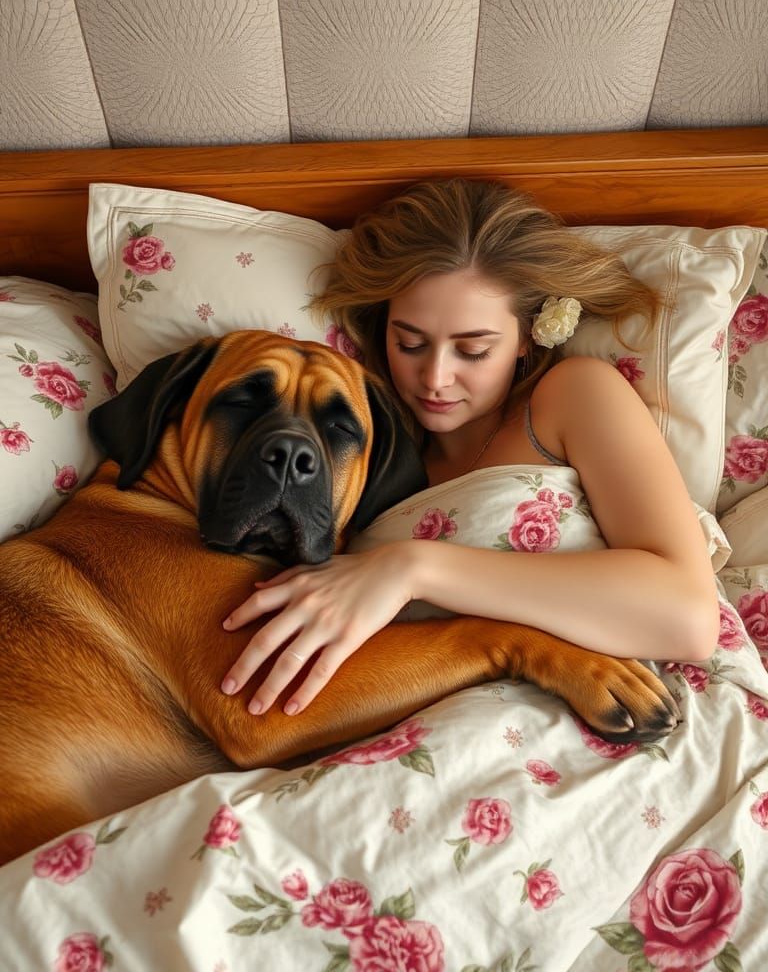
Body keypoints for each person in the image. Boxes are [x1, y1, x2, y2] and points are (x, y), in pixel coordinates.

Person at [219, 178, 720, 717]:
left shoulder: (571, 396)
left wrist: (415, 567)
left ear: (528, 336)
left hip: (612, 708)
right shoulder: (360, 449)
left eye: (474, 350)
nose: (435, 377)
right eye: (409, 343)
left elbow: (687, 616)